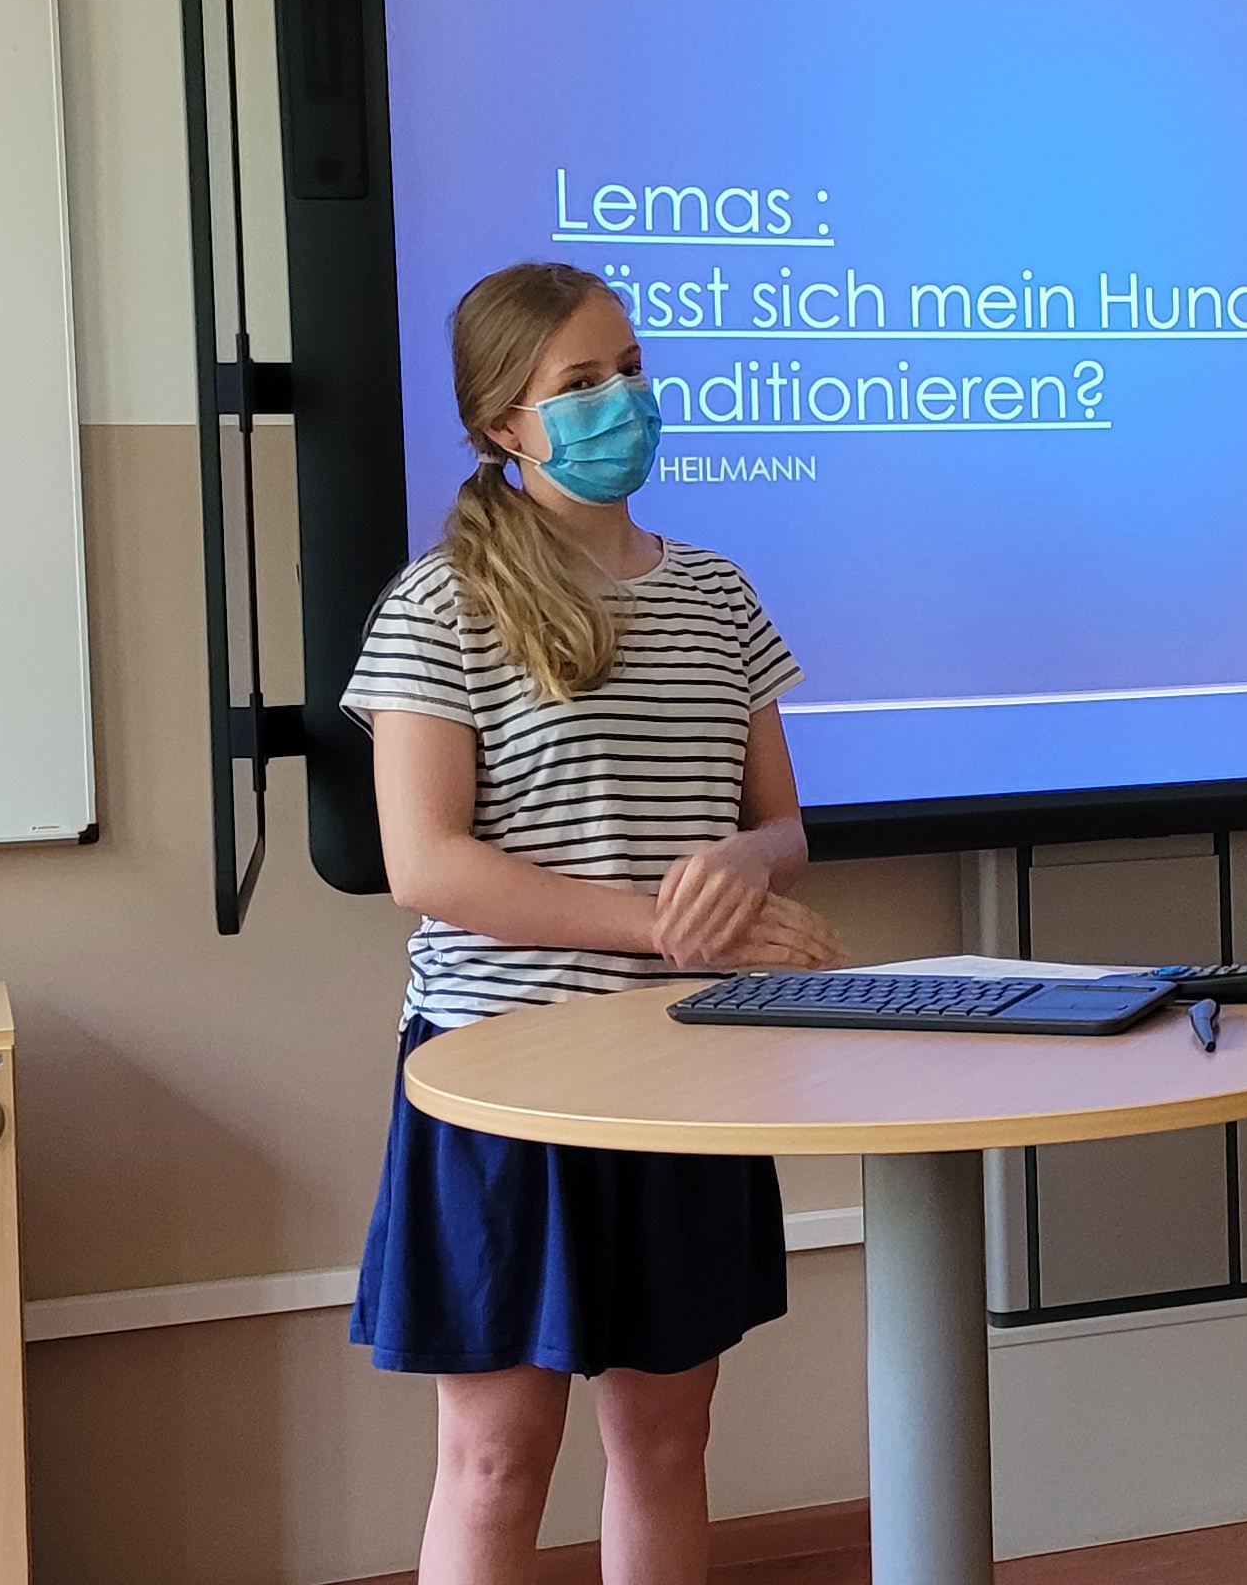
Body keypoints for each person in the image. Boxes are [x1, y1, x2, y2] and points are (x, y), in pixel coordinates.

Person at [340, 261, 844, 1585]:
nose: (620, 399)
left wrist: (742, 867)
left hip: (685, 1065)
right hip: (504, 1077)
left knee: (668, 1442)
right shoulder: (440, 603)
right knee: (496, 1461)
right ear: (502, 423)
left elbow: (783, 829)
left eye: (629, 368)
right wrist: (668, 927)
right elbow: (426, 867)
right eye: (579, 382)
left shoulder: (718, 594)